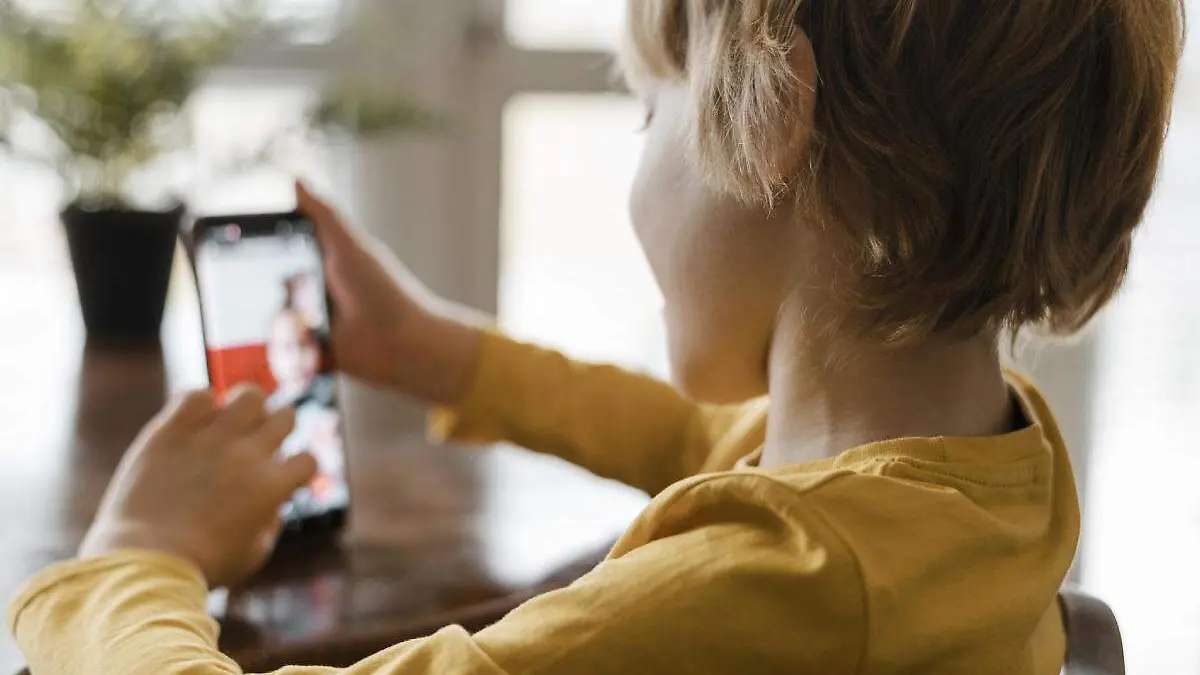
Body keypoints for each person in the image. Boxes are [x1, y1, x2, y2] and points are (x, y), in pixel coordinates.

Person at [8, 2, 1184, 673]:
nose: (636, 147)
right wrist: (438, 352)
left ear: (772, 117)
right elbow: (709, 442)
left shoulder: (773, 589)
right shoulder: (983, 476)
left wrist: (126, 561)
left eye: (646, 106)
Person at [264, 309, 335, 412]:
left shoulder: (331, 392)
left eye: (304, 345)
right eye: (287, 347)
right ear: (271, 357)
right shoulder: (270, 408)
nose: (297, 358)